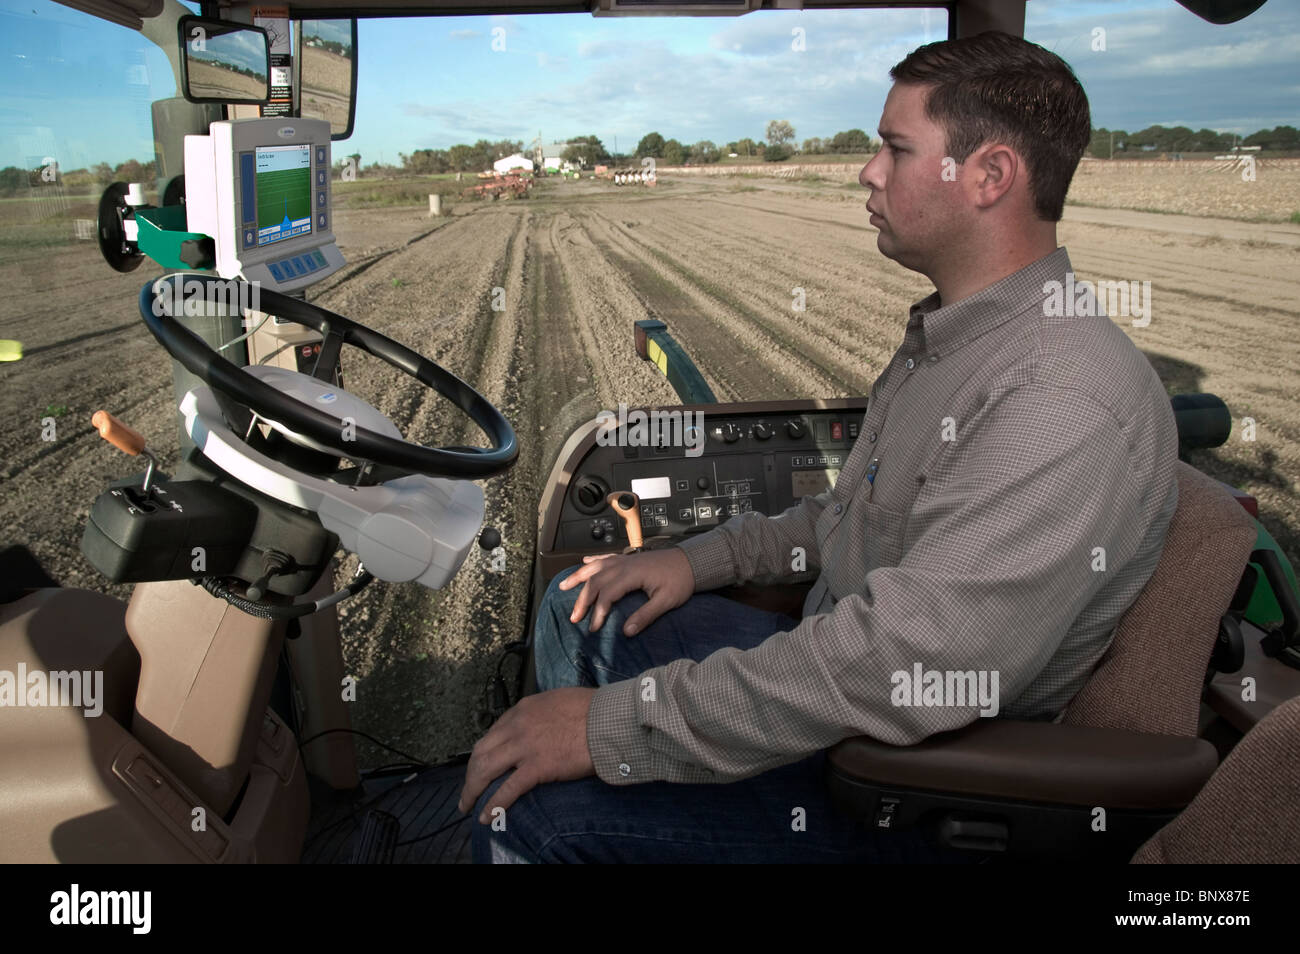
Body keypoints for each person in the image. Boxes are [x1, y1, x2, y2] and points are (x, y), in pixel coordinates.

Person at [457, 30, 1179, 863]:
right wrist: (699, 560)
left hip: (904, 791)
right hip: (843, 702)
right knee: (579, 604)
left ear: (989, 177)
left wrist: (612, 727)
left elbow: (897, 664)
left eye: (895, 148)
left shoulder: (1060, 399)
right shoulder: (953, 339)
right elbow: (846, 517)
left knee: (525, 823)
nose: (868, 172)